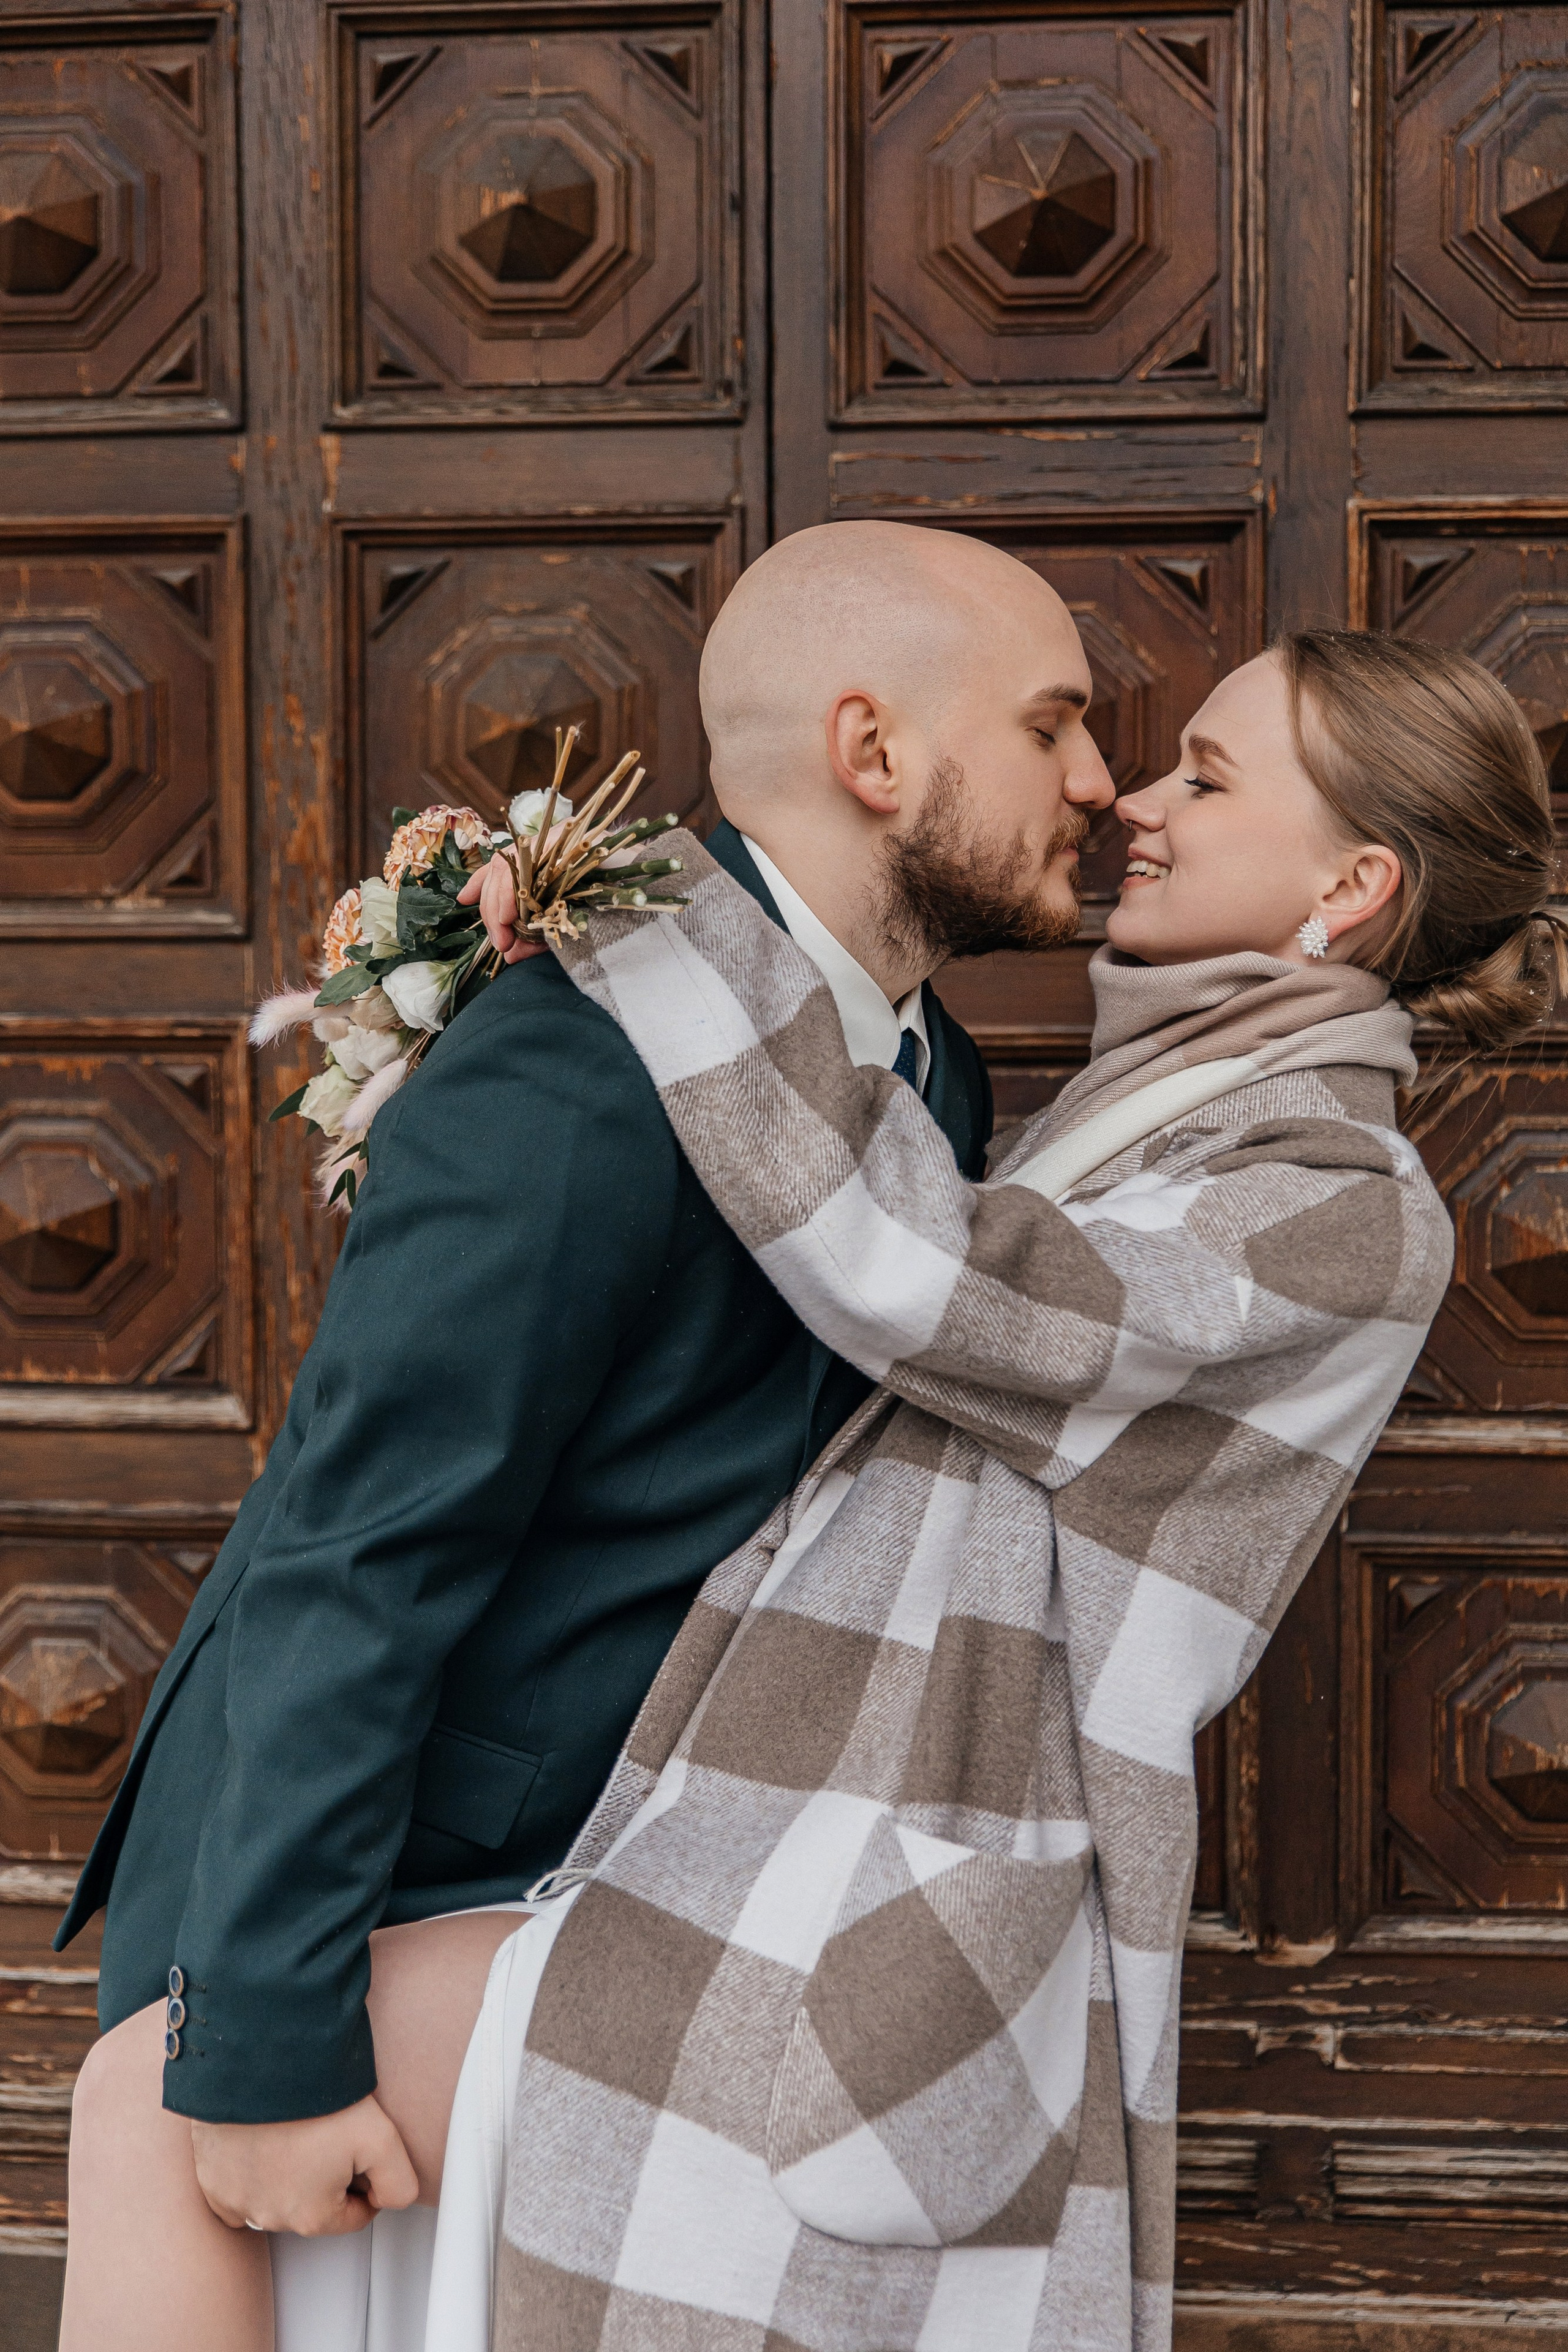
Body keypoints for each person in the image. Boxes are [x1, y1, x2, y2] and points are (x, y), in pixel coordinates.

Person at [418, 627, 1549, 2352]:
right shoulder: (1154, 1119)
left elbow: (923, 1273)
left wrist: (648, 904)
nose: (1135, 803)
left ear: (1355, 880)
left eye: (1208, 776)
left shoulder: (1345, 1198)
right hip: (774, 1877)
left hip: (875, 1926)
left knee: (186, 2084)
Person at [56, 520, 1114, 2352]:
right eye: (1054, 728)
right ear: (877, 757)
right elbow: (360, 1543)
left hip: (629, 1879)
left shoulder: (939, 1067)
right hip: (369, 1882)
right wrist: (262, 2044)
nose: (1102, 783)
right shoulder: (582, 1054)